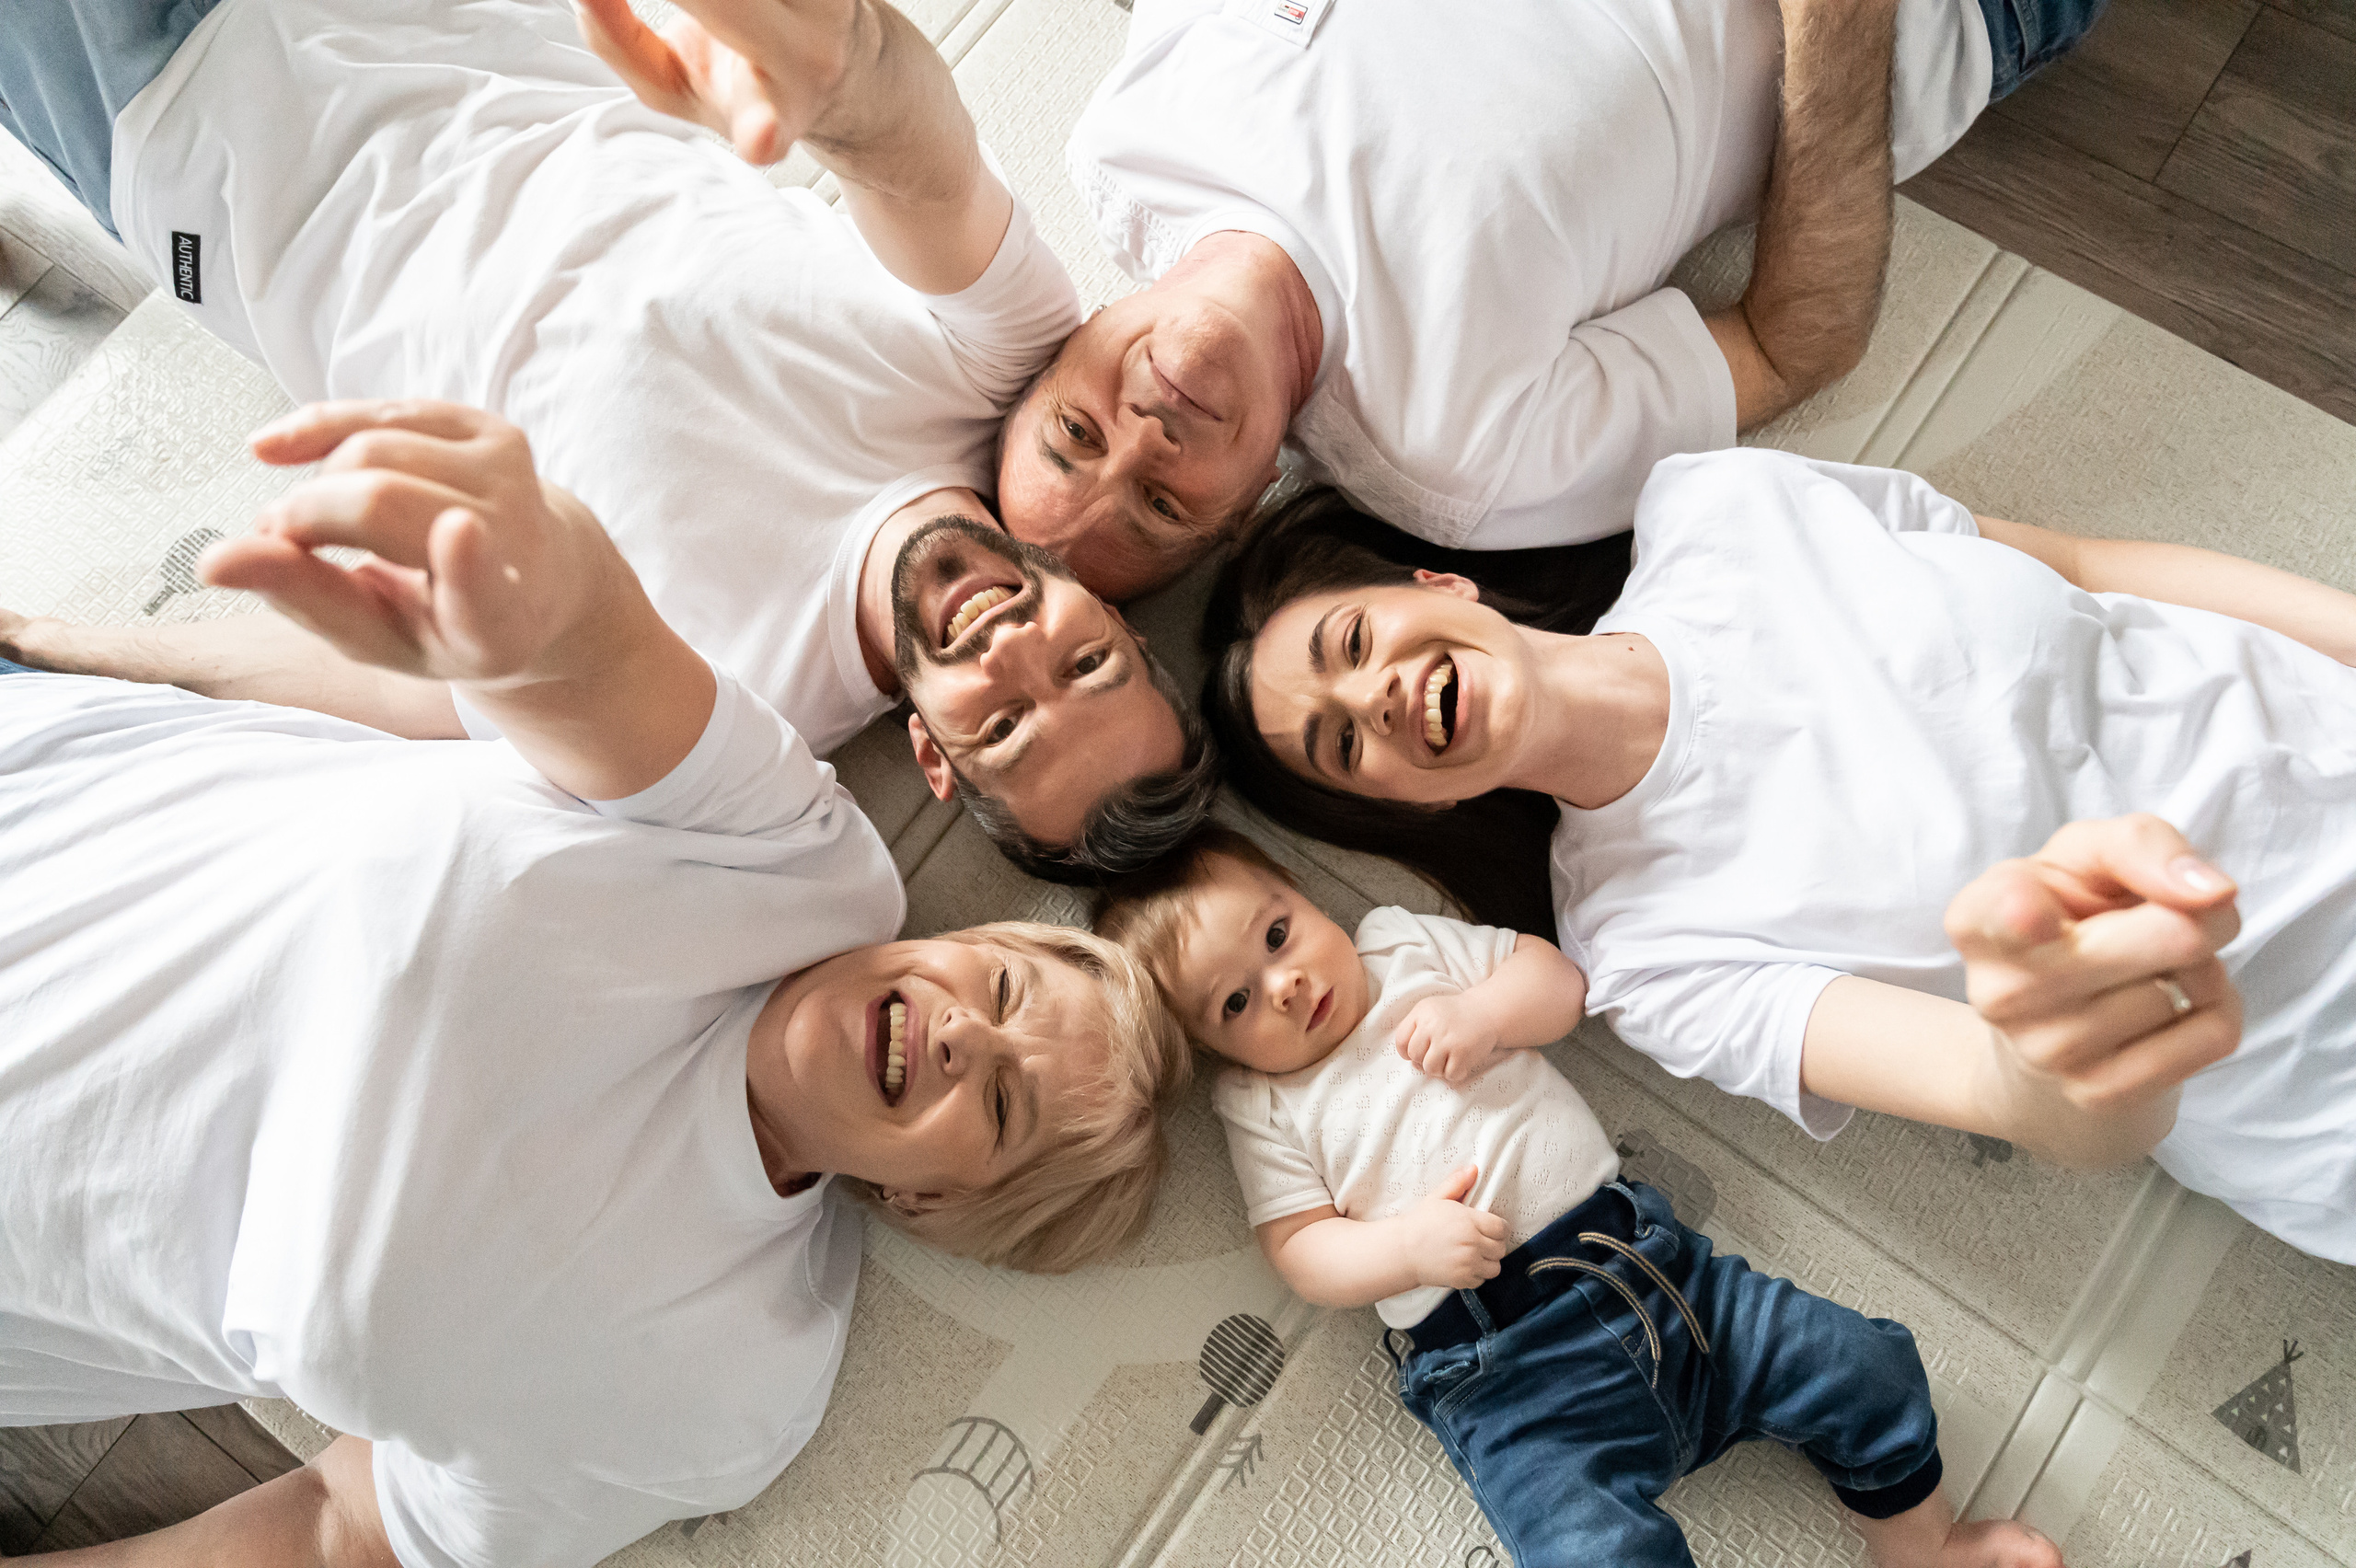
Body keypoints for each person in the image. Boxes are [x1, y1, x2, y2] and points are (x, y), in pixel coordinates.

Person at [0, 398, 1191, 1568]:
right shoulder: (804, 864)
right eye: (998, 989)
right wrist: (530, 577)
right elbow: (592, 659)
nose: (958, 1039)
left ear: (929, 1204)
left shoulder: (728, 1383)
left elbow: (344, 1530)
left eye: (998, 1107)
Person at [0, 0, 1218, 879]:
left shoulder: (727, 709)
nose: (1011, 651)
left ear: (934, 758)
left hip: (190, 142)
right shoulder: (1014, 383)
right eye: (1085, 666)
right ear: (1108, 615)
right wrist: (845, 77)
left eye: (1001, 723)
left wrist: (89, 649)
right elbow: (922, 161)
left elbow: (406, 683)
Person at [1201, 455, 2356, 1259]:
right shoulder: (1641, 953)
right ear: (1401, 800)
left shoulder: (1716, 504)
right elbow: (2017, 1100)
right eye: (1342, 744)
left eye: (1351, 643)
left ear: (1435, 583)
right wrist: (2074, 1043)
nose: (1378, 698)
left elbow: (2085, 566)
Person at [1096, 826, 2062, 1568]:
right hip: (1506, 1377)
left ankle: (1924, 1543)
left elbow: (1555, 983)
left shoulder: (1399, 948)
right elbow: (1301, 1249)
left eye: (1276, 934)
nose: (1284, 983)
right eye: (1234, 1004)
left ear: (1302, 897)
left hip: (1660, 1279)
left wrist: (1482, 1015)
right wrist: (1403, 1252)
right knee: (1584, 1553)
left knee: (1864, 1367)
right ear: (1215, 1050)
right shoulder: (1263, 1100)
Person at [994, 0, 2110, 599]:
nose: (1144, 437)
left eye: (1077, 434)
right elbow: (1789, 345)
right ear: (1245, 507)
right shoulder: (1452, 459)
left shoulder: (1131, 143)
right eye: (1161, 503)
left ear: (1073, 334)